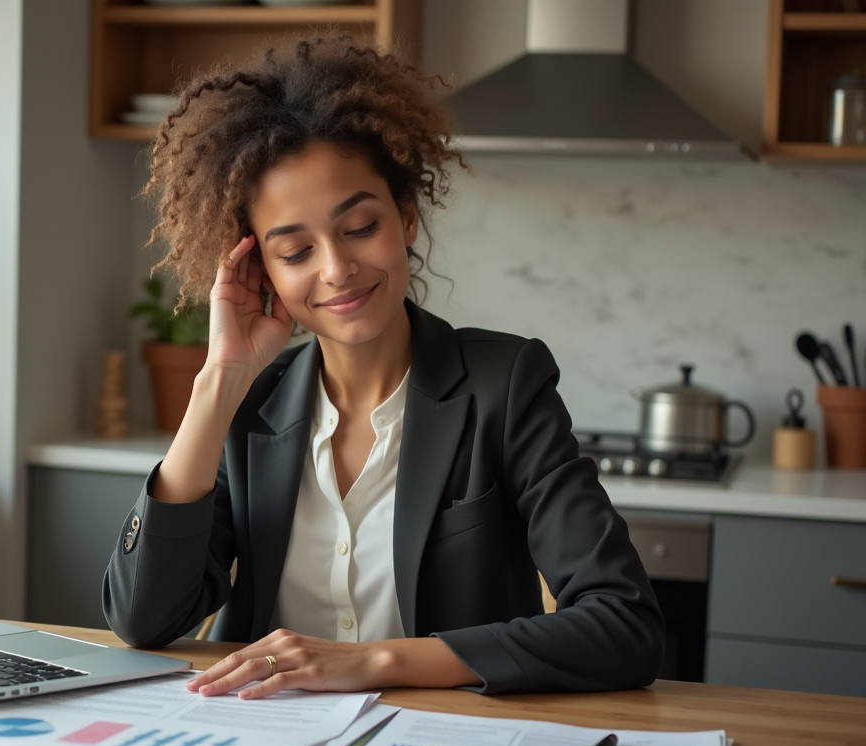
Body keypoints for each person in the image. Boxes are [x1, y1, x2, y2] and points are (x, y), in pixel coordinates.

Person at [103, 34, 663, 699]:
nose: (336, 269)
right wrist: (219, 380)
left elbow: (625, 626)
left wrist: (378, 661)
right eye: (295, 250)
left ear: (405, 216)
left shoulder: (504, 384)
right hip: (263, 745)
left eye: (359, 226)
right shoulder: (247, 406)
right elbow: (143, 620)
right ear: (261, 271)